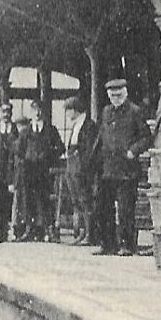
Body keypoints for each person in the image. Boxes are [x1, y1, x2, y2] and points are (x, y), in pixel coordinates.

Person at [95, 78, 152, 256]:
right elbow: (102, 136)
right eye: (112, 95)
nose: (116, 98)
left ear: (125, 93)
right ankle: (108, 244)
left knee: (126, 208)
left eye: (119, 95)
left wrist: (133, 151)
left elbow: (146, 138)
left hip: (127, 168)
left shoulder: (135, 112)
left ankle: (127, 245)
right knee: (105, 207)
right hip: (108, 167)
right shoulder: (106, 112)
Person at [19, 106, 64, 241]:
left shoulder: (51, 130)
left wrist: (49, 156)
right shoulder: (25, 131)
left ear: (43, 112)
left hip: (45, 171)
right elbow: (19, 150)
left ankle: (48, 230)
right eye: (34, 110)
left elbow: (61, 147)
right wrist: (27, 157)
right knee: (28, 199)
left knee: (45, 200)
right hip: (29, 170)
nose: (37, 113)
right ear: (30, 113)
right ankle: (29, 230)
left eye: (39, 110)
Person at [62, 96, 100, 245]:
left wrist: (83, 164)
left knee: (86, 200)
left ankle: (90, 234)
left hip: (82, 168)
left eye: (68, 111)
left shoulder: (89, 125)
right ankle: (82, 232)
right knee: (76, 200)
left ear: (74, 110)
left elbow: (89, 149)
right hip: (72, 165)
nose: (67, 115)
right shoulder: (75, 125)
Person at [0, 102, 19, 242]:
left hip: (10, 171)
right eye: (3, 112)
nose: (6, 114)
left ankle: (8, 229)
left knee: (8, 201)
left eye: (8, 112)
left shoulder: (16, 130)